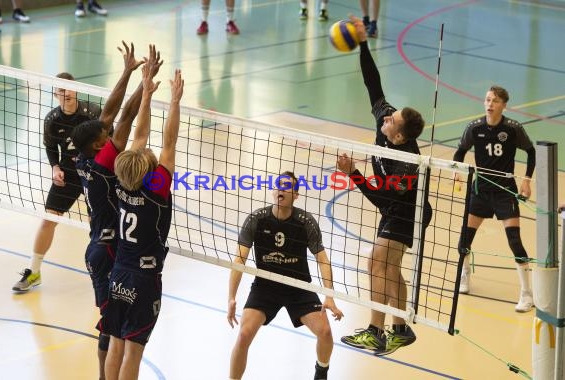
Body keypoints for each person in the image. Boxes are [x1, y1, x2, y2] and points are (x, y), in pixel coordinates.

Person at [337, 15, 432, 356]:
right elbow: (372, 83)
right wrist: (363, 41)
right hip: (397, 207)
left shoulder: (404, 161)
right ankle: (401, 329)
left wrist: (354, 174)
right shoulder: (386, 120)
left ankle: (376, 332)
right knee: (390, 266)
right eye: (389, 116)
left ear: (401, 136)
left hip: (408, 210)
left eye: (393, 121)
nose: (387, 118)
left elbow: (381, 199)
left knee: (376, 263)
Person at [71, 41, 156, 380]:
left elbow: (109, 115)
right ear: (98, 145)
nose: (109, 132)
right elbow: (126, 119)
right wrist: (144, 84)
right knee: (112, 331)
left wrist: (127, 71)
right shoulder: (105, 163)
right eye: (105, 136)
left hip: (98, 247)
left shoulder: (84, 156)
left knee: (110, 327)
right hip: (108, 253)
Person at [103, 65, 183, 380]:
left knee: (115, 346)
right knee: (133, 353)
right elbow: (169, 143)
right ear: (148, 169)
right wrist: (174, 102)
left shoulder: (122, 182)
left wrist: (147, 95)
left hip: (119, 272)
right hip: (144, 279)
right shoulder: (156, 190)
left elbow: (139, 137)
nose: (146, 150)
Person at [227, 171, 344, 380]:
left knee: (325, 333)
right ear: (273, 191)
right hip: (266, 286)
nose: (281, 188)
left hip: (298, 287)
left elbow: (323, 260)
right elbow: (239, 260)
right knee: (244, 334)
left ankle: (321, 372)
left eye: (287, 186)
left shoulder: (305, 221)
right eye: (278, 185)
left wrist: (329, 296)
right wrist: (232, 297)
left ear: (296, 195)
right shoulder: (257, 219)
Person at [12, 72, 102, 292]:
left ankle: (106, 273)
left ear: (76, 90)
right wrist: (55, 167)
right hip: (68, 175)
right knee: (47, 221)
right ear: (55, 94)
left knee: (98, 227)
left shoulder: (93, 112)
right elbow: (51, 147)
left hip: (93, 174)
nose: (65, 93)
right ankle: (34, 271)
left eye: (68, 88)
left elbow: (108, 141)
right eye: (60, 90)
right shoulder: (52, 120)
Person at [453, 85, 536, 313]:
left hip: (504, 191)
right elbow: (460, 151)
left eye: (495, 101)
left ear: (504, 105)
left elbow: (531, 151)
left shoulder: (512, 129)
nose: (490, 104)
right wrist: (457, 170)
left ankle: (527, 294)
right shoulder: (475, 127)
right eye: (488, 100)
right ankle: (465, 277)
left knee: (515, 241)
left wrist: (526, 180)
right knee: (464, 239)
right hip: (480, 189)